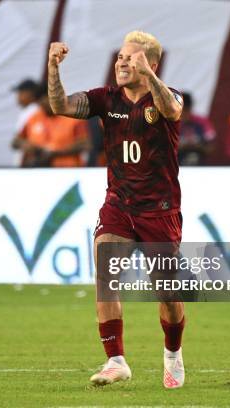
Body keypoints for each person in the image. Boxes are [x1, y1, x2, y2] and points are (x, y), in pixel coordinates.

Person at [47, 31, 186, 388]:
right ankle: (116, 360)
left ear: (151, 65)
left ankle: (172, 352)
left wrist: (151, 76)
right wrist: (53, 69)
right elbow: (61, 106)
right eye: (120, 57)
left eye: (132, 58)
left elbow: (171, 109)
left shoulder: (167, 97)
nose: (122, 62)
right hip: (119, 205)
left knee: (168, 296)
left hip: (160, 210)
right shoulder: (105, 98)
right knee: (106, 276)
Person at [12, 85, 90, 167]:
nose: (43, 103)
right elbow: (15, 141)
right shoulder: (34, 118)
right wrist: (25, 144)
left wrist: (56, 153)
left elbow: (85, 144)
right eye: (41, 101)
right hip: (38, 170)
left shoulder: (72, 117)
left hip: (67, 170)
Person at [178, 92, 216, 165]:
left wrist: (198, 146)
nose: (183, 114)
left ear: (190, 108)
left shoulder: (203, 122)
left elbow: (212, 147)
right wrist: (181, 146)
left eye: (185, 110)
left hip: (199, 166)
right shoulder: (170, 124)